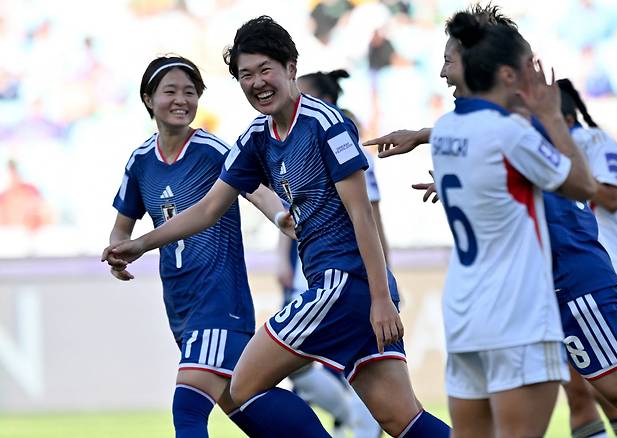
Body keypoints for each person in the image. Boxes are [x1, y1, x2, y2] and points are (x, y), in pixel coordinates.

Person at [103, 16, 451, 438]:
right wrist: (141, 242)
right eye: (245, 75)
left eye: (265, 69)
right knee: (401, 419)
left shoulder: (326, 123)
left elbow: (363, 215)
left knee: (242, 386)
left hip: (344, 284)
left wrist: (381, 297)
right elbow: (208, 209)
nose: (256, 83)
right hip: (344, 288)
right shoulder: (256, 137)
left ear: (290, 67)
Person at [364, 3, 617, 434]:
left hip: (567, 275)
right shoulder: (484, 126)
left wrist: (429, 140)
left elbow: (579, 184)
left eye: (449, 59)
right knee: (588, 399)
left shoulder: (512, 122)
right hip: (522, 294)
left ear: (484, 65)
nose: (443, 73)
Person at [105, 55, 322, 438]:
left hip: (220, 303)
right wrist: (118, 252)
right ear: (147, 99)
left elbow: (255, 188)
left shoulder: (211, 149)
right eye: (170, 91)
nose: (181, 100)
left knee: (188, 409)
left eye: (190, 92)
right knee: (248, 405)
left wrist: (281, 216)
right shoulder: (140, 161)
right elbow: (121, 230)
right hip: (181, 308)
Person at [274, 69, 385, 438]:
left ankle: (361, 425)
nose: (293, 100)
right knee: (296, 367)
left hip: (345, 270)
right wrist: (280, 253)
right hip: (310, 267)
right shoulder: (292, 141)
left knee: (355, 365)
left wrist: (381, 283)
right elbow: (292, 208)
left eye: (301, 93)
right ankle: (348, 418)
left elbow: (368, 215)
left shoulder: (339, 138)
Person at [557, 78, 617, 438]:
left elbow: (609, 196)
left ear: (560, 118)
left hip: (608, 276)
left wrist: (554, 175)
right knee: (578, 395)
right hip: (564, 284)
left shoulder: (593, 140)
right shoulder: (535, 150)